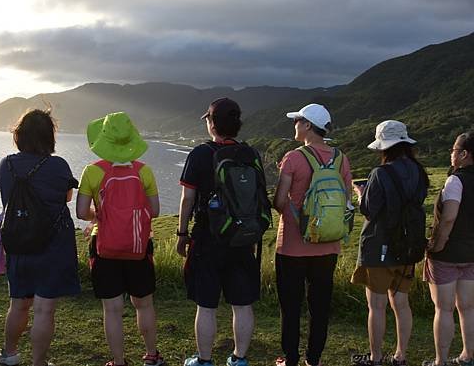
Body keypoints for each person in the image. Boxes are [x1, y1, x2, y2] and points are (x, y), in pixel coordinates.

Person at [177, 98, 262, 366]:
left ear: (212, 123)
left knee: (206, 304)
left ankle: (203, 360)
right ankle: (239, 358)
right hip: (242, 238)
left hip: (208, 238)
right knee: (242, 303)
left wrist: (182, 233)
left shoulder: (201, 153)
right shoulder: (251, 154)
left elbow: (187, 199)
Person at [76, 112, 164, 366]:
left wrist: (99, 215)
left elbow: (82, 212)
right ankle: (151, 355)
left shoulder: (92, 171)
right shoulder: (144, 171)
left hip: (104, 246)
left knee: (112, 309)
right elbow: (155, 210)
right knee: (144, 305)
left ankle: (118, 361)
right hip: (138, 244)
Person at [0, 109, 81, 366]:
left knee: (18, 303)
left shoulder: (5, 164)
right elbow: (66, 197)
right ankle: (39, 363)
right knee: (44, 309)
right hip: (52, 244)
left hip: (18, 242)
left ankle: (9, 353)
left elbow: (6, 198)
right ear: (49, 137)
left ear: (19, 135)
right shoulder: (58, 165)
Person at [273, 103, 352, 366]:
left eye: (297, 121)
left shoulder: (294, 158)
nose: (294, 125)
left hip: (293, 246)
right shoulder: (341, 158)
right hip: (328, 245)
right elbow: (347, 199)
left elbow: (280, 201)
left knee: (291, 306)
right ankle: (314, 358)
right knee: (319, 307)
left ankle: (291, 358)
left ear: (307, 125)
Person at [351, 120, 429, 366]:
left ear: (384, 147)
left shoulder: (380, 174)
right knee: (402, 303)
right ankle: (400, 356)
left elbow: (370, 211)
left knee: (376, 305)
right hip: (408, 246)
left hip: (379, 247)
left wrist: (360, 194)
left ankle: (375, 357)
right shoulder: (419, 173)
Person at [423, 132, 474, 366]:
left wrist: (437, 244)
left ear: (464, 154)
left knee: (443, 309)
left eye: (454, 150)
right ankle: (467, 356)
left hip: (448, 254)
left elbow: (449, 217)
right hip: (471, 254)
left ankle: (440, 361)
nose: (450, 153)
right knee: (468, 307)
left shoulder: (456, 180)